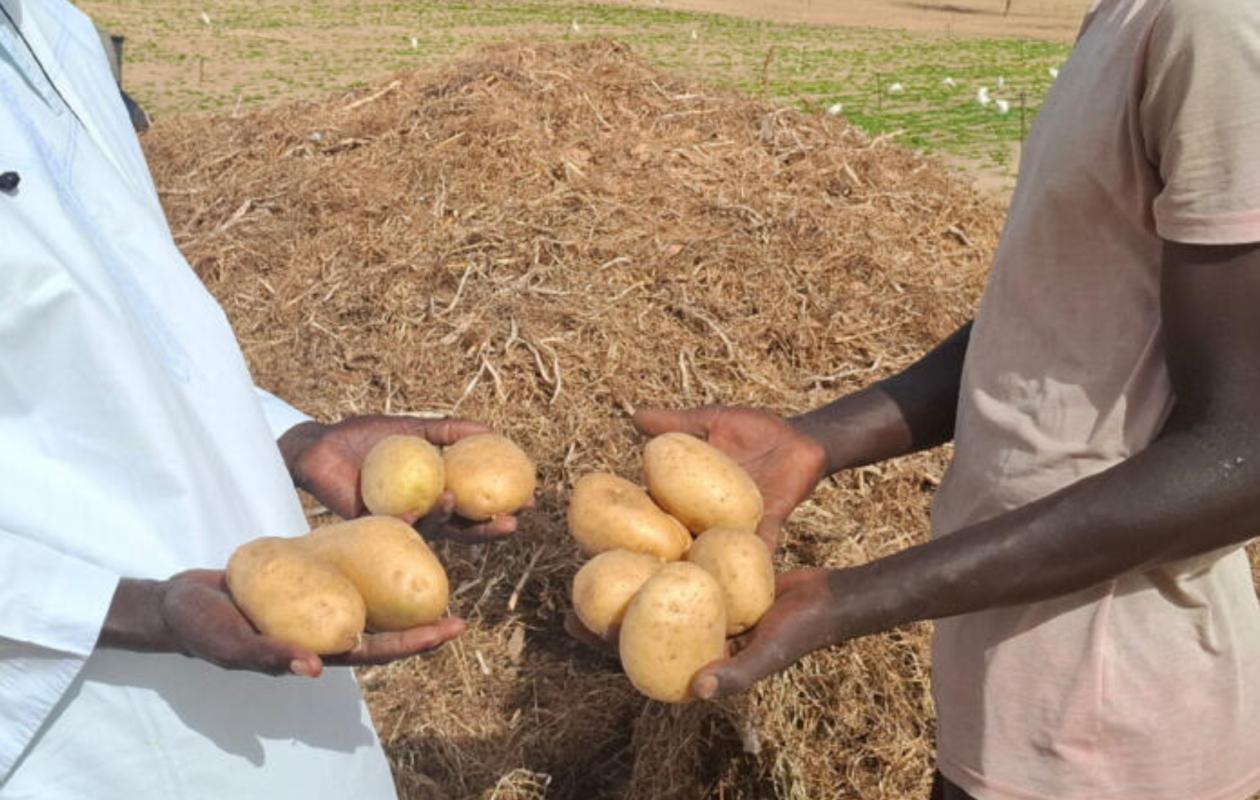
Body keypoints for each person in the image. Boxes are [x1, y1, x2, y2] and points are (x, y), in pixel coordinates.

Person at [622, 0, 1260, 797]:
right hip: (1010, 702)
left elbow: (1243, 459)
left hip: (1116, 726)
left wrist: (850, 599)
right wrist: (817, 441)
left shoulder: (1217, 23)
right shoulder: (1130, 17)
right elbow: (1052, 324)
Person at [0, 0, 525, 797]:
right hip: (67, 710)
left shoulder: (50, 28)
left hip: (262, 645)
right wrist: (138, 611)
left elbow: (119, 323)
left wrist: (291, 439)